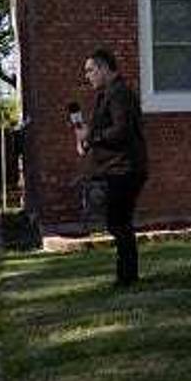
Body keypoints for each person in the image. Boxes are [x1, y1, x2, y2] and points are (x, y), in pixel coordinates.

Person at [74, 48, 148, 286]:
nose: (87, 76)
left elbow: (121, 130)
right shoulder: (104, 94)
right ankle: (126, 275)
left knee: (118, 222)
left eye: (90, 70)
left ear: (104, 68)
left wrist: (92, 137)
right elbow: (100, 131)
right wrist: (86, 141)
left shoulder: (119, 93)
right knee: (117, 221)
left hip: (125, 168)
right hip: (114, 167)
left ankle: (127, 277)